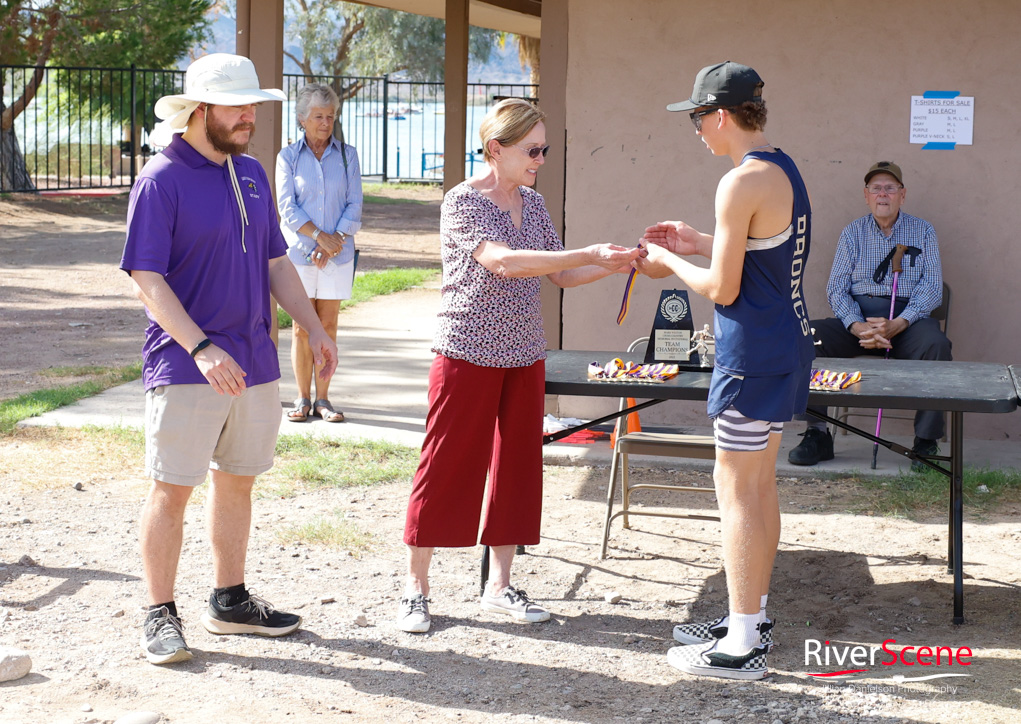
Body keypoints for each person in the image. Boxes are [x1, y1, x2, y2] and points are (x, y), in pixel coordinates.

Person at [121, 53, 338, 666]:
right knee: (172, 490)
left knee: (237, 483)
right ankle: (159, 613)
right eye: (239, 106)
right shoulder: (160, 179)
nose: (251, 116)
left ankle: (229, 601)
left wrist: (314, 326)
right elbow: (146, 277)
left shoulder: (249, 175)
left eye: (254, 105)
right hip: (188, 363)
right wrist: (200, 346)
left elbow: (275, 262)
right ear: (200, 110)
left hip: (255, 362)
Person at [397, 98, 642, 634]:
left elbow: (560, 276)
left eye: (544, 149)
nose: (540, 159)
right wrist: (586, 253)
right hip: (466, 349)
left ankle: (499, 585)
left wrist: (612, 263)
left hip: (525, 353)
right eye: (532, 150)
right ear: (495, 150)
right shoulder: (463, 201)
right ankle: (415, 590)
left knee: (517, 470)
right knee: (445, 465)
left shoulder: (532, 205)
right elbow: (504, 262)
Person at [633, 61, 814, 680]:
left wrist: (664, 260)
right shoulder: (780, 167)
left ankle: (742, 644)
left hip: (750, 354)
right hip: (785, 347)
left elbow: (724, 287)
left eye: (696, 119)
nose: (697, 133)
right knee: (759, 486)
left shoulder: (737, 183)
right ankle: (752, 617)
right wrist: (695, 238)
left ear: (720, 115)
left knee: (736, 491)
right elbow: (761, 253)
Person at [787, 161, 951, 469]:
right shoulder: (853, 233)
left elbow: (932, 288)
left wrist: (900, 323)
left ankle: (926, 442)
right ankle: (817, 434)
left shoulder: (923, 231)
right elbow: (836, 288)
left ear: (903, 194)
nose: (883, 194)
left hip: (907, 321)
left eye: (890, 188)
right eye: (876, 188)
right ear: (866, 195)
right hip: (860, 318)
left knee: (937, 346)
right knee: (807, 337)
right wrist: (858, 325)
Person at [276, 83, 363, 424]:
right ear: (301, 119)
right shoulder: (288, 157)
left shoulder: (348, 155)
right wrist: (317, 240)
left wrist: (334, 241)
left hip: (337, 254)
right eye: (318, 116)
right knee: (301, 326)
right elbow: (287, 206)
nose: (325, 123)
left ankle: (324, 400)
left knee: (327, 325)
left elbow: (355, 203)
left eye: (330, 116)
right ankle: (301, 398)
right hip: (301, 253)